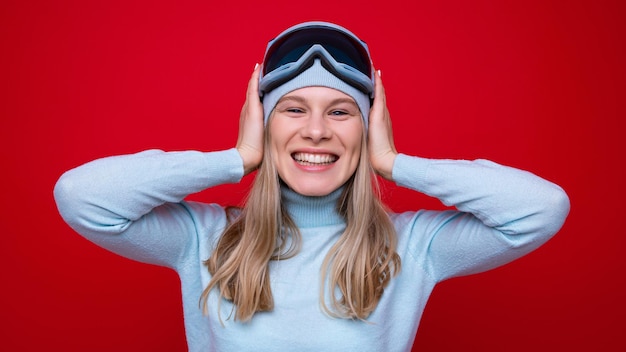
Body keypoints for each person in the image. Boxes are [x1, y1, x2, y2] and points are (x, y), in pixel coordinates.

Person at [53, 21, 570, 352]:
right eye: (293, 109)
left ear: (367, 129)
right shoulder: (204, 240)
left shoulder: (414, 247)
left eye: (341, 112)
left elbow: (541, 209)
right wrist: (237, 158)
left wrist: (393, 162)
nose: (317, 131)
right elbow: (82, 197)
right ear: (264, 122)